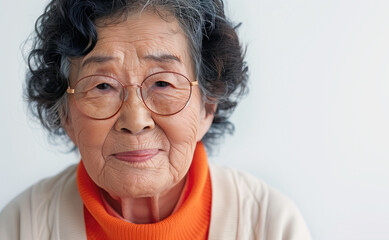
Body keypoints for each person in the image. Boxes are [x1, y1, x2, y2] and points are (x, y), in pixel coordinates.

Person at [0, 0, 311, 239]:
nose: (135, 120)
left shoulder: (269, 224)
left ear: (208, 105)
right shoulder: (23, 226)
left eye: (163, 83)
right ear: (65, 114)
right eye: (103, 86)